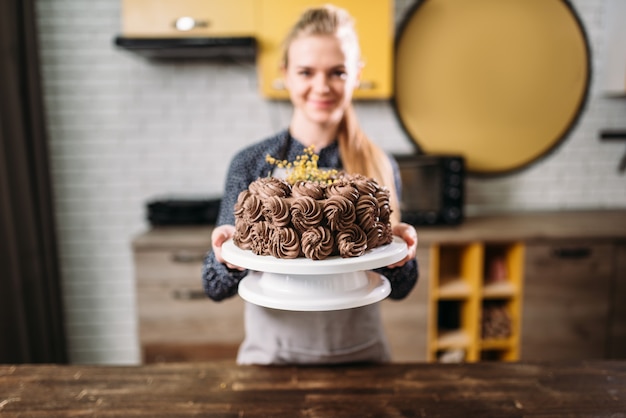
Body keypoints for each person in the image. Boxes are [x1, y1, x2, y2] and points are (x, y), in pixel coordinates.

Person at [202, 4, 418, 365]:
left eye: (337, 72)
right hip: (271, 358)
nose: (322, 86)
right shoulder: (252, 164)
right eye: (306, 71)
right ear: (285, 73)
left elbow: (402, 288)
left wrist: (401, 254)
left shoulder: (378, 166)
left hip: (361, 357)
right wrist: (225, 257)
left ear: (357, 74)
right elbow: (213, 285)